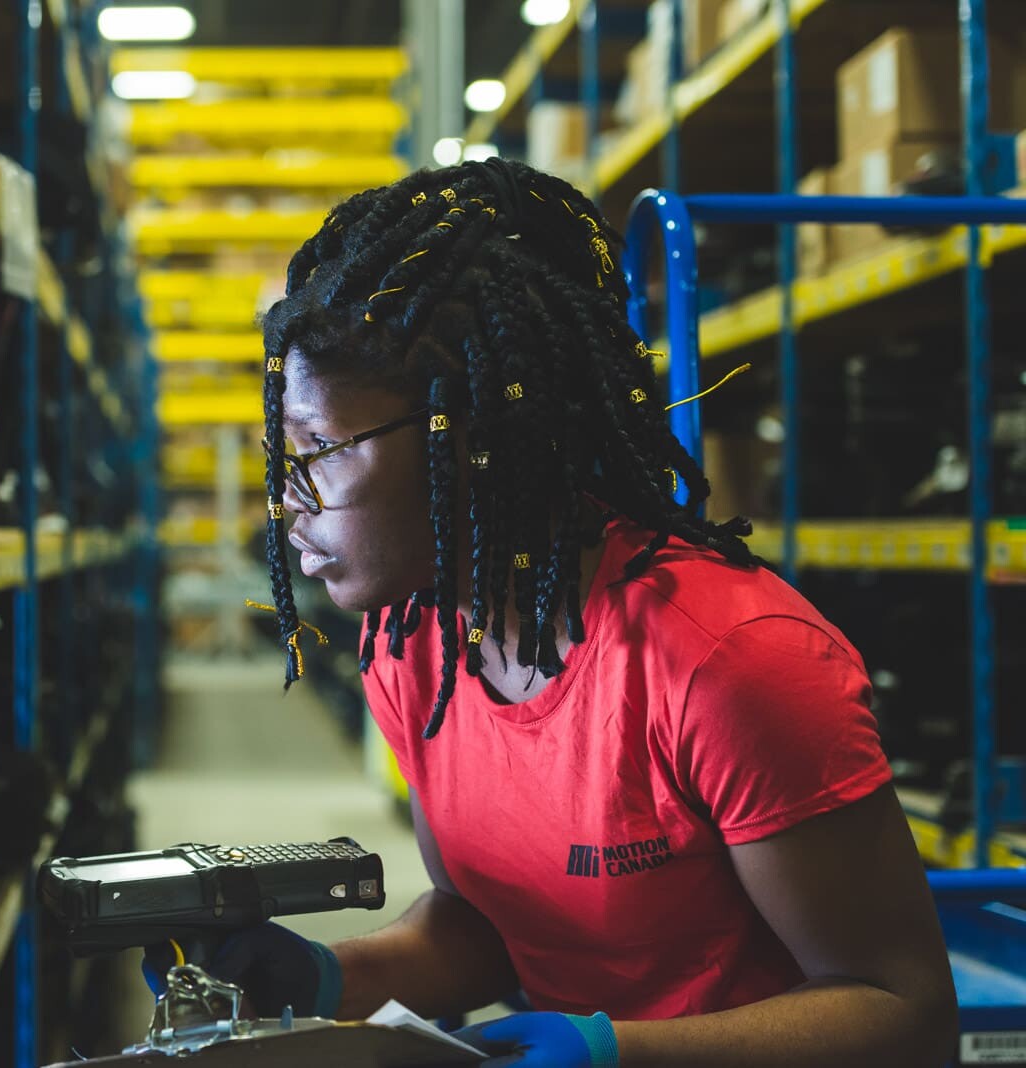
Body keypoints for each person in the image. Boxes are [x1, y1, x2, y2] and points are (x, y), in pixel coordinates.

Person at [150, 159, 958, 1067]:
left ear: (475, 440)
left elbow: (905, 1017)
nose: (286, 497)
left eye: (321, 449)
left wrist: (613, 1054)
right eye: (281, 450)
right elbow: (490, 931)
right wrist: (330, 979)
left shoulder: (727, 664)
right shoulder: (413, 648)